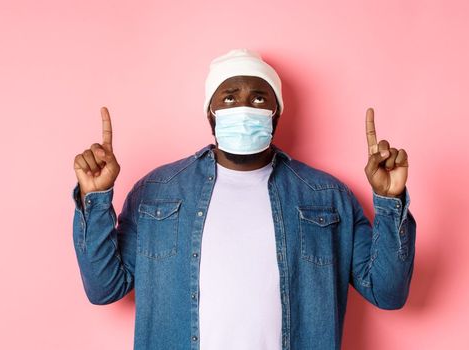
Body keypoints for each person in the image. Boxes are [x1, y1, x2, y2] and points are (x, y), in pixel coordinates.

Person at [70, 48, 415, 350]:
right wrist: (95, 196)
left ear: (276, 114)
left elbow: (387, 293)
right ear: (211, 114)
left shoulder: (327, 197)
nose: (245, 107)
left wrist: (389, 200)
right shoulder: (157, 191)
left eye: (260, 98)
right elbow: (104, 288)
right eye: (230, 97)